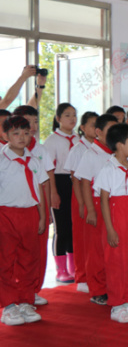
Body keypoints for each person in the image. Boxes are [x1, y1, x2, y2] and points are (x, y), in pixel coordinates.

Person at [96, 123, 128, 323]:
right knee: (117, 262)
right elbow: (104, 200)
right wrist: (110, 229)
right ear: (119, 145)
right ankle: (117, 304)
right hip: (118, 217)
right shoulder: (108, 169)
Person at [0, 116, 48, 326]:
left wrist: (42, 216)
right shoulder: (1, 160)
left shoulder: (34, 161)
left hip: (30, 214)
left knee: (29, 259)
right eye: (16, 133)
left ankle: (25, 301)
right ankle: (9, 306)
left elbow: (39, 190)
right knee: (5, 261)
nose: (22, 137)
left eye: (26, 133)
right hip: (6, 214)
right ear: (5, 136)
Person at [74, 113, 119, 306]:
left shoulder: (116, 153)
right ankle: (97, 289)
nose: (114, 133)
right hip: (96, 203)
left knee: (112, 247)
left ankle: (112, 285)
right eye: (110, 130)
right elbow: (84, 183)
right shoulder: (90, 153)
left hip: (114, 204)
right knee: (96, 250)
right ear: (98, 132)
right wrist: (90, 209)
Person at [13, 106, 56, 306]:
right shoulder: (7, 152)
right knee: (16, 251)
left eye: (35, 122)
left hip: (38, 203)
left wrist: (50, 204)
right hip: (15, 207)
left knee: (37, 249)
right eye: (26, 121)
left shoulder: (40, 149)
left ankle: (33, 288)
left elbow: (47, 178)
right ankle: (17, 291)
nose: (32, 126)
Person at [42, 103, 79, 284]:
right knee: (61, 228)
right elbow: (48, 169)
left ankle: (73, 267)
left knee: (74, 226)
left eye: (74, 115)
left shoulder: (78, 139)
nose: (72, 118)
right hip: (59, 182)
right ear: (58, 119)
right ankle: (61, 269)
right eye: (67, 115)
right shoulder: (52, 140)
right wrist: (53, 193)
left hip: (75, 183)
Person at [63, 111, 98, 292]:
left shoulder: (100, 148)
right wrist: (81, 203)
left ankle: (95, 274)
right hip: (82, 197)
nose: (96, 128)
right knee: (81, 237)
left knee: (95, 238)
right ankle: (82, 276)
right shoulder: (78, 149)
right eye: (92, 125)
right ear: (83, 128)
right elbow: (75, 179)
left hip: (97, 196)